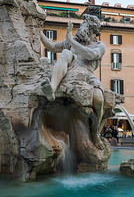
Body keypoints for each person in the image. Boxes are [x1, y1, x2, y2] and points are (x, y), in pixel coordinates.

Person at [40, 14, 105, 149]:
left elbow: (91, 55)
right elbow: (51, 46)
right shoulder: (72, 42)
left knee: (99, 100)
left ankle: (95, 132)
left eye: (84, 26)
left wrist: (71, 41)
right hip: (69, 69)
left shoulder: (99, 45)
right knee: (66, 53)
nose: (80, 28)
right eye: (81, 25)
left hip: (87, 73)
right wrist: (37, 31)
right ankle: (52, 88)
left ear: (92, 29)